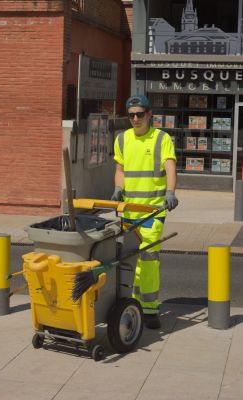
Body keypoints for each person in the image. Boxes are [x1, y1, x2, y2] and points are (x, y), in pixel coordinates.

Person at [111, 94, 178, 329]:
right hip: (129, 211)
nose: (136, 119)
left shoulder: (161, 138)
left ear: (149, 115)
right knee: (128, 259)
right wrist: (118, 188)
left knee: (148, 260)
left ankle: (149, 310)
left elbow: (170, 165)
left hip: (153, 211)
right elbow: (120, 169)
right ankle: (131, 303)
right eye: (131, 115)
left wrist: (170, 192)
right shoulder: (122, 139)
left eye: (140, 114)